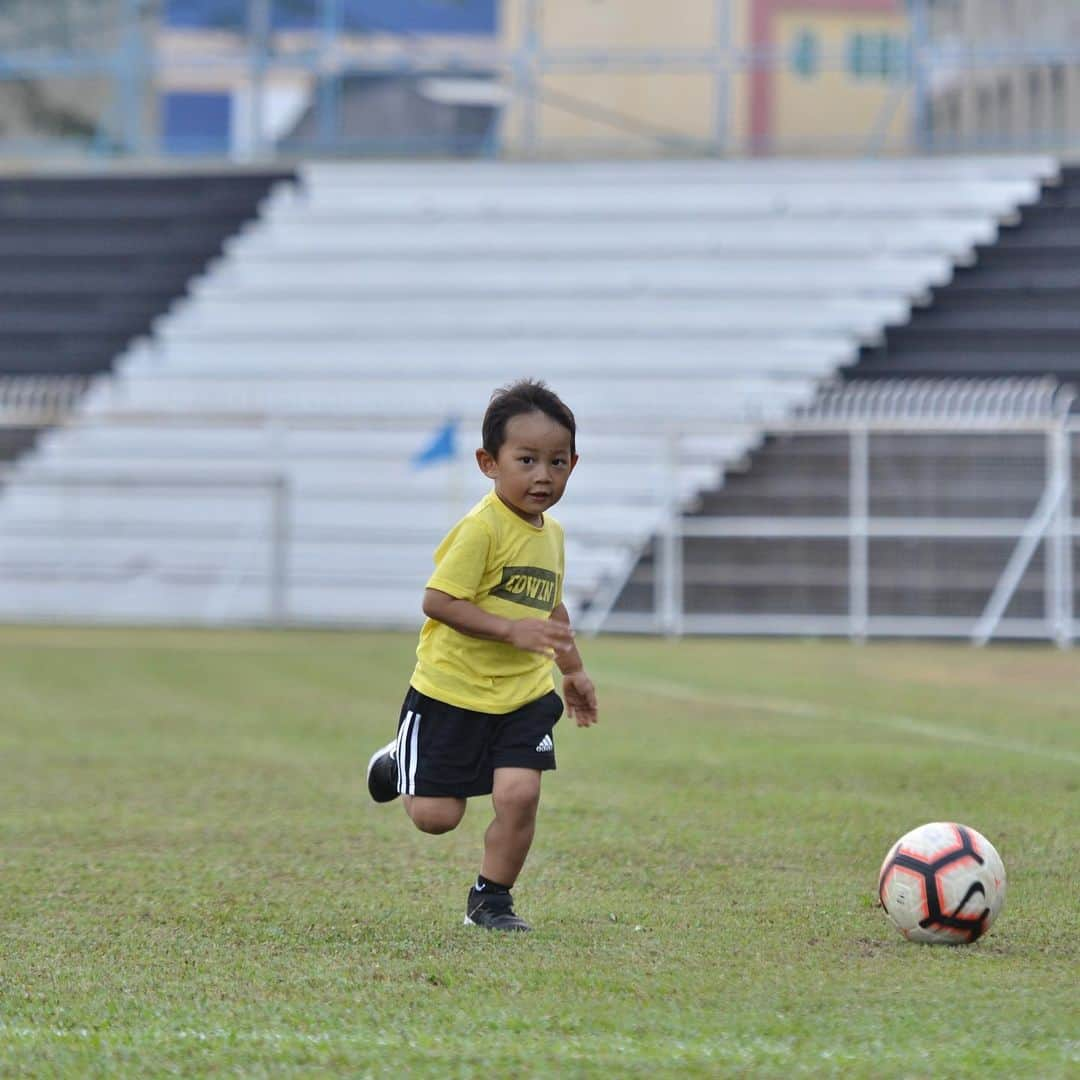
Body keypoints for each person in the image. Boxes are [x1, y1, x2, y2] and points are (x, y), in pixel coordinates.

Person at [366, 378, 599, 932]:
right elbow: (438, 601)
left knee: (520, 794)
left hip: (524, 694)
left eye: (557, 461)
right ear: (488, 462)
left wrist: (574, 671)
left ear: (573, 463)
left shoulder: (554, 535)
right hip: (451, 689)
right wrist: (507, 630)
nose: (543, 475)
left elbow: (551, 607)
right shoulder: (480, 530)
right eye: (526, 460)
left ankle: (491, 900)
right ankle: (400, 760)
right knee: (435, 817)